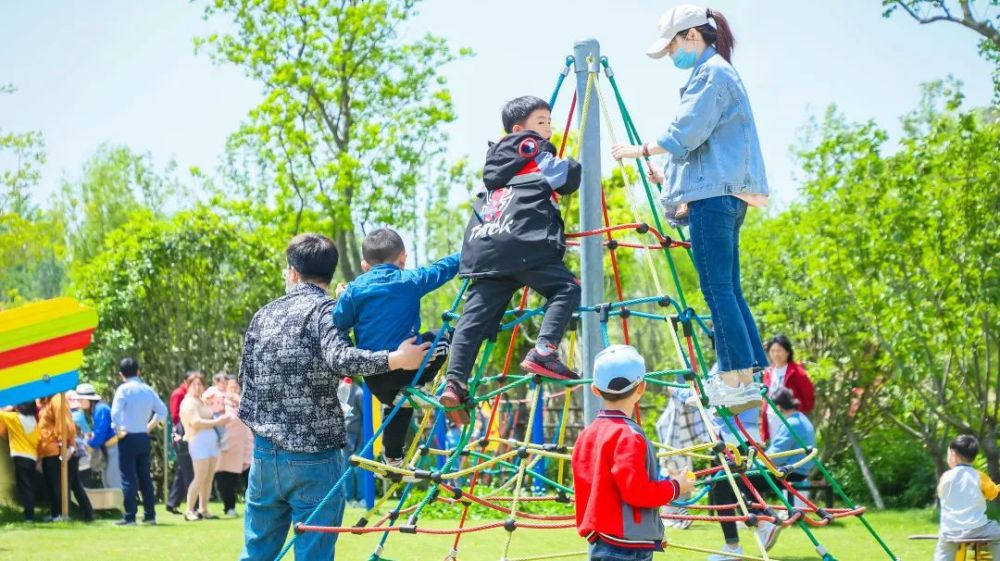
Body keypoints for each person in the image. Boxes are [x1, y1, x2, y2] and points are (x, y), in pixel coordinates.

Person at [611, 5, 768, 413]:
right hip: (724, 194)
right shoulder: (718, 73)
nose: (672, 57)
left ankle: (735, 378)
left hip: (715, 199)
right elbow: (705, 149)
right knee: (728, 288)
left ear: (693, 37)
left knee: (717, 289)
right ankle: (748, 375)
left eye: (673, 47)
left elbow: (687, 132)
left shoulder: (712, 75)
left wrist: (639, 149)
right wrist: (671, 182)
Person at [237, 233, 429, 561]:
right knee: (314, 554)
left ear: (292, 271)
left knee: (256, 552)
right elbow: (341, 358)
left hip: (266, 455)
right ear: (329, 273)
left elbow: (245, 380)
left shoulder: (263, 315)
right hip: (315, 456)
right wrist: (395, 359)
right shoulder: (328, 311)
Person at [444, 95, 583, 424]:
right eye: (540, 122)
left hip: (486, 243)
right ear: (519, 130)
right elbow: (564, 180)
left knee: (472, 319)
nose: (547, 129)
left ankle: (454, 381)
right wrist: (574, 164)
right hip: (525, 242)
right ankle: (545, 350)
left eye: (549, 122)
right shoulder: (534, 148)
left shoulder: (494, 164)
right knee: (566, 289)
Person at [333, 227, 458, 467]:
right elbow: (444, 267)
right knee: (447, 336)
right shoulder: (410, 280)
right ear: (403, 258)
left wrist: (342, 298)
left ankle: (393, 456)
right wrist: (473, 249)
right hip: (410, 368)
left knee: (399, 403)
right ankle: (432, 383)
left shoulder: (355, 290)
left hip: (374, 378)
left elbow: (339, 321)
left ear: (364, 265)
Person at [572, 345, 694, 560]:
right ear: (641, 387)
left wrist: (652, 533)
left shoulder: (587, 435)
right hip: (625, 547)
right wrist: (676, 487)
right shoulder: (628, 436)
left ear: (595, 389)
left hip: (604, 539)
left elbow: (598, 491)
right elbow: (636, 492)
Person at [756, 388, 817, 550]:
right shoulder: (801, 418)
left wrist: (755, 457)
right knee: (750, 479)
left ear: (779, 407)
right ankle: (763, 519)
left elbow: (777, 456)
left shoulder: (792, 424)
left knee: (743, 479)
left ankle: (767, 521)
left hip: (791, 471)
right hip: (799, 469)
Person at [110, 357, 168, 526]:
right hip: (143, 436)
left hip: (127, 436)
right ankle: (150, 515)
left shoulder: (123, 390)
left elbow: (115, 413)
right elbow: (162, 411)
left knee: (128, 477)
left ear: (121, 374)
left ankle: (130, 516)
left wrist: (118, 428)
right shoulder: (147, 389)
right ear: (138, 372)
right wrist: (149, 426)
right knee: (145, 477)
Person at [934, 435, 1000, 561]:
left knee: (943, 550)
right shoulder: (979, 476)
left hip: (949, 531)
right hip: (977, 529)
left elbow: (941, 493)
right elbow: (992, 494)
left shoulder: (946, 476)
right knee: (997, 535)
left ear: (953, 454)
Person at [655, 385, 708, 529]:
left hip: (677, 453)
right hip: (677, 454)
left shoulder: (680, 408)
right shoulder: (677, 409)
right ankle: (678, 515)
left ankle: (680, 515)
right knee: (675, 484)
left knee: (678, 484)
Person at [38, 393, 95, 522]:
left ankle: (61, 514)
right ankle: (85, 514)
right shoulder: (47, 400)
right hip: (51, 449)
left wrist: (66, 445)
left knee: (59, 485)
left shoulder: (58, 398)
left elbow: (65, 424)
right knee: (73, 484)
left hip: (58, 450)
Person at [180, 376, 229, 521]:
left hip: (211, 442)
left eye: (200, 384)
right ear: (187, 385)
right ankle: (189, 510)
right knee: (199, 477)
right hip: (198, 441)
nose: (197, 387)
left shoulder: (202, 400)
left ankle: (203, 509)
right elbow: (195, 422)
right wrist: (217, 421)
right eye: (194, 384)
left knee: (208, 477)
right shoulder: (188, 402)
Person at [761, 335, 815, 441]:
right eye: (773, 351)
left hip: (790, 419)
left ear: (787, 352)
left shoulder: (797, 372)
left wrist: (796, 413)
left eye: (779, 350)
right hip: (771, 419)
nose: (776, 354)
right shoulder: (769, 372)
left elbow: (808, 397)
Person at [215, 377, 254, 517]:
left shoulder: (245, 402)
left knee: (250, 478)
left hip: (246, 446)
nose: (233, 390)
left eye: (236, 387)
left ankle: (252, 506)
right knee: (226, 479)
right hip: (228, 446)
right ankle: (229, 507)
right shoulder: (220, 402)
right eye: (230, 387)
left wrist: (238, 399)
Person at [166, 371, 202, 514]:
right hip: (183, 433)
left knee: (183, 471)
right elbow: (175, 416)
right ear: (186, 382)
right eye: (193, 383)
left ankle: (172, 502)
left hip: (191, 432)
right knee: (189, 471)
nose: (196, 386)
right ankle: (195, 504)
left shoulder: (196, 397)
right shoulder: (179, 394)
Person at [0, 402, 41, 522]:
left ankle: (29, 516)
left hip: (20, 457)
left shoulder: (15, 418)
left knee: (24, 487)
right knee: (29, 486)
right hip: (32, 457)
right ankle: (30, 513)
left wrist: (10, 406)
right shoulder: (34, 420)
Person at [78, 382, 121, 489]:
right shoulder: (98, 410)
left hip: (114, 447)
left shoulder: (100, 409)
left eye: (81, 399)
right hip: (108, 448)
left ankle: (121, 505)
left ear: (89, 399)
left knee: (112, 480)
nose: (79, 402)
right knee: (106, 479)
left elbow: (100, 433)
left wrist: (89, 446)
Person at [68, 390, 94, 487]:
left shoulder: (64, 416)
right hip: (83, 456)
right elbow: (88, 434)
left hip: (71, 455)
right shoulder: (79, 415)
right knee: (85, 484)